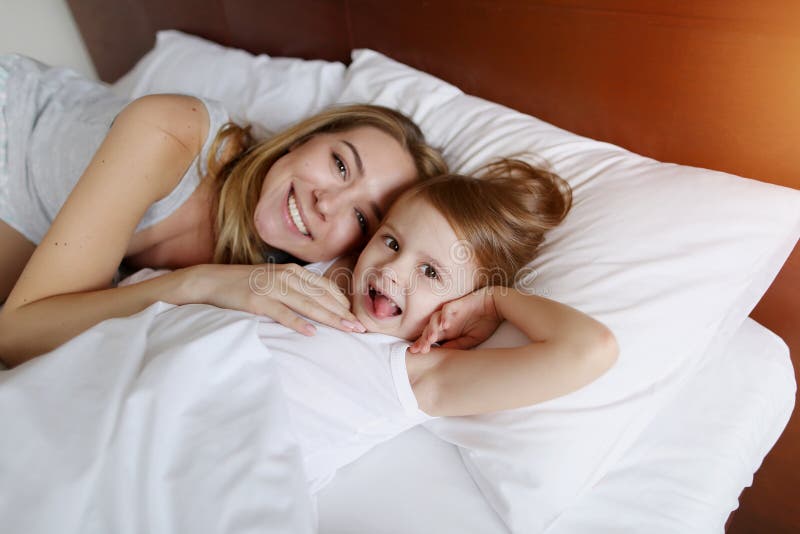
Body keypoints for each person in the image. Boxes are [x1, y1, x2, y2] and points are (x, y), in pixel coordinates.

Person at [0, 54, 447, 366]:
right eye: (339, 164)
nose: (327, 202)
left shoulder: (288, 269)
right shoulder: (172, 132)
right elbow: (18, 336)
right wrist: (195, 284)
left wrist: (483, 303)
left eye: (362, 218)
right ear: (302, 138)